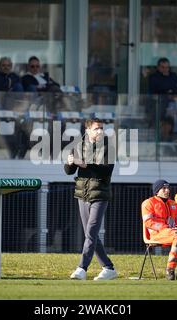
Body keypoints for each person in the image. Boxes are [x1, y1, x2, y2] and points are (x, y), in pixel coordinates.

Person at [64, 118, 117, 281]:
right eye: (96, 128)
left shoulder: (109, 146)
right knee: (90, 234)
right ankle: (108, 268)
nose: (100, 131)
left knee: (91, 232)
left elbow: (105, 171)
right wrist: (70, 163)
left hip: (100, 194)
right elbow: (68, 171)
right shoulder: (78, 145)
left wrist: (85, 164)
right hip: (83, 194)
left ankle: (82, 268)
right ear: (87, 131)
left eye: (101, 128)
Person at [141, 179, 177, 280]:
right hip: (157, 234)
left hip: (172, 232)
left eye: (168, 188)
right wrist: (166, 227)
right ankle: (170, 269)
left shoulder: (173, 204)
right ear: (157, 191)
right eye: (164, 188)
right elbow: (148, 222)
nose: (167, 190)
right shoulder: (148, 203)